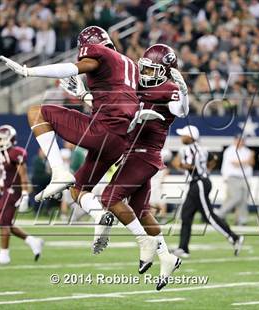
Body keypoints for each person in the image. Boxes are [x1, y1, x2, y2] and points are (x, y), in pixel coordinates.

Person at [61, 44, 189, 290]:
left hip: (144, 153)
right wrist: (84, 93)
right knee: (141, 210)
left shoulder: (169, 89)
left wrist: (183, 92)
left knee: (110, 197)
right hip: (131, 152)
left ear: (165, 72)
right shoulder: (137, 85)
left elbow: (181, 111)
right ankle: (167, 257)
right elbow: (112, 108)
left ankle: (145, 242)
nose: (145, 74)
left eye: (152, 70)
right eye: (144, 69)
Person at [0, 26, 141, 237]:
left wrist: (30, 71)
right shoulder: (129, 65)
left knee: (36, 112)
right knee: (77, 189)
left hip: (103, 130)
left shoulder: (98, 54)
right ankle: (107, 221)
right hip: (119, 141)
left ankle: (58, 171)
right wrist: (84, 95)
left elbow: (74, 68)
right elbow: (117, 104)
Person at [172, 125, 244, 258]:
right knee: (186, 215)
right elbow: (214, 159)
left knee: (208, 216)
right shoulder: (202, 149)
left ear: (190, 137)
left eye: (183, 135)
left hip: (198, 183)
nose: (181, 137)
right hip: (199, 182)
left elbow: (190, 166)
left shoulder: (188, 149)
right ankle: (183, 248)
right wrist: (206, 169)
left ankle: (234, 238)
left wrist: (179, 164)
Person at [0, 125, 44, 264]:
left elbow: (23, 176)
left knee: (4, 223)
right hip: (6, 190)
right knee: (6, 223)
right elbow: (5, 176)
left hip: (14, 191)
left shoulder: (15, 153)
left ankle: (4, 255)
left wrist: (24, 194)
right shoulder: (1, 153)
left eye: (3, 139)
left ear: (11, 139)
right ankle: (33, 241)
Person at [216, 134, 254, 225]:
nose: (241, 142)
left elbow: (251, 163)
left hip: (245, 177)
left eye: (242, 140)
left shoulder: (247, 151)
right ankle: (220, 214)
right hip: (233, 177)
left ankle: (241, 220)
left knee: (244, 199)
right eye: (239, 140)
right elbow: (235, 163)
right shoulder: (230, 150)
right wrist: (248, 160)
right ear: (235, 140)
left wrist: (249, 159)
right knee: (235, 197)